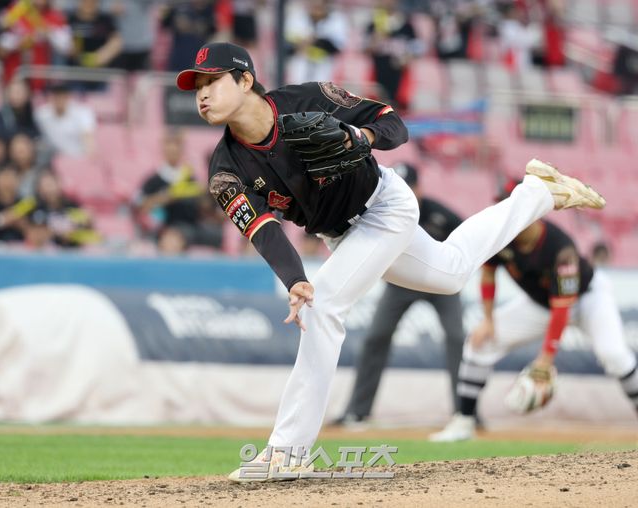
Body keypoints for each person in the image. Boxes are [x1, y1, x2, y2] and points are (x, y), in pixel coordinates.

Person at [175, 41, 605, 481]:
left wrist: (360, 137)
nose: (202, 94)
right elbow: (263, 230)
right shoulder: (225, 171)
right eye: (196, 87)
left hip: (384, 205)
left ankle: (288, 451)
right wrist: (294, 278)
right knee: (452, 271)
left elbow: (393, 123)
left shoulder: (309, 99)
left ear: (246, 80)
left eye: (212, 81)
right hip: (340, 235)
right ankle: (537, 193)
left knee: (323, 308)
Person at [429, 180, 637, 442]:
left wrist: (545, 359)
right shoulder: (502, 236)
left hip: (588, 298)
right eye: (506, 205)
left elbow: (562, 309)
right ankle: (464, 421)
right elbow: (489, 275)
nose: (508, 212)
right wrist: (488, 320)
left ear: (533, 210)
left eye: (515, 206)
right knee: (480, 342)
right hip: (540, 304)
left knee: (615, 355)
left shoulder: (560, 249)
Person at [332, 162, 466, 427]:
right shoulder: (384, 212)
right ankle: (357, 412)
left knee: (457, 337)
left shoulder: (441, 214)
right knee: (375, 338)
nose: (406, 191)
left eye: (410, 186)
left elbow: (464, 245)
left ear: (419, 188)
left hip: (440, 285)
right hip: (401, 286)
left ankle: (466, 413)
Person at [132, 129, 223, 254]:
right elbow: (139, 207)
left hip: (193, 227)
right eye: (170, 144)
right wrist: (169, 195)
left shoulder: (190, 178)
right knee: (173, 239)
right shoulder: (153, 180)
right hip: (168, 227)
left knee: (218, 235)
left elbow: (204, 210)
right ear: (163, 148)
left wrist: (204, 196)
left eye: (177, 144)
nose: (173, 149)